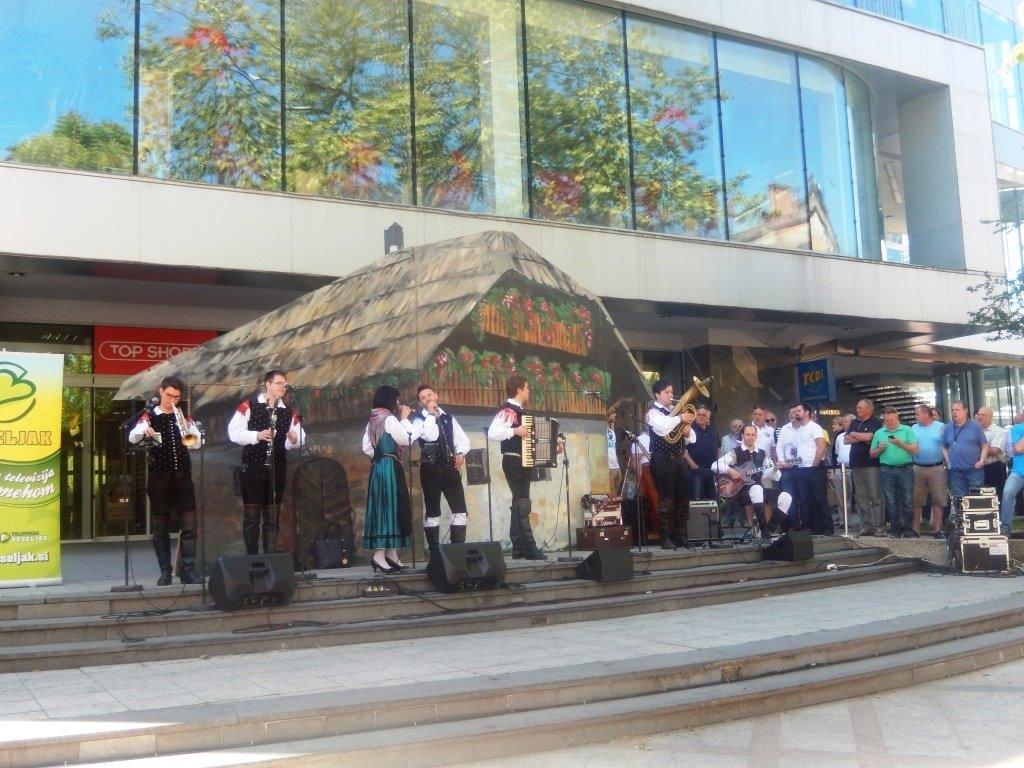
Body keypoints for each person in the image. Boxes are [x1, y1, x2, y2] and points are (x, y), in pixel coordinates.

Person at [128, 375, 203, 585]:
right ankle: (165, 571)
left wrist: (187, 429)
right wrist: (145, 432)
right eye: (169, 395)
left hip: (183, 477)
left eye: (176, 397)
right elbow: (132, 436)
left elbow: (196, 443)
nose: (172, 400)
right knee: (161, 528)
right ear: (161, 392)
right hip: (159, 478)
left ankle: (187, 570)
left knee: (190, 525)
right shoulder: (149, 415)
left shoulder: (184, 416)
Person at [228, 370, 304, 555]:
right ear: (268, 384)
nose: (282, 387)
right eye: (279, 383)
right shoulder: (249, 406)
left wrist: (294, 440)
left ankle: (270, 559)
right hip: (253, 467)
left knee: (272, 519)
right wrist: (257, 435)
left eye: (284, 384)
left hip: (277, 468)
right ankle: (252, 559)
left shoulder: (288, 411)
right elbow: (233, 432)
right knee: (252, 518)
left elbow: (299, 438)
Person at [487, 376, 548, 560]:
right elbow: (492, 432)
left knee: (518, 503)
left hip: (522, 463)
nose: (529, 391)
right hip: (513, 461)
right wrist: (514, 430)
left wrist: (554, 450)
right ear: (519, 390)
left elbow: (531, 441)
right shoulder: (508, 410)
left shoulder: (522, 412)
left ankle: (518, 548)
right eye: (527, 388)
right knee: (523, 504)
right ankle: (530, 548)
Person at [362, 386, 419, 573]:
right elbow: (405, 439)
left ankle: (391, 553)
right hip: (389, 467)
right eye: (396, 399)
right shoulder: (389, 418)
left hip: (379, 466)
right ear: (389, 400)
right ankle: (379, 556)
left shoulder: (372, 419)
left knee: (387, 506)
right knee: (390, 505)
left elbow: (366, 448)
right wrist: (405, 419)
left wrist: (380, 455)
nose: (398, 403)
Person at [413, 384, 470, 560]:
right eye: (423, 398)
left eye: (429, 395)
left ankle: (457, 553)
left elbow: (462, 440)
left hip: (450, 468)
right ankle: (435, 555)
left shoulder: (448, 418)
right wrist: (431, 415)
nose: (427, 399)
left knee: (460, 512)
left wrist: (460, 453)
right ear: (421, 403)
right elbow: (430, 436)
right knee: (432, 513)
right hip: (430, 470)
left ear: (436, 396)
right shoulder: (419, 420)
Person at [712, 425, 792, 540]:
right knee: (757, 488)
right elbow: (715, 465)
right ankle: (764, 530)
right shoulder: (735, 452)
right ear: (742, 435)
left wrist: (775, 468)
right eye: (747, 434)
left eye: (753, 434)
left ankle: (768, 530)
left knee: (786, 497)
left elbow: (770, 475)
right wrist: (730, 470)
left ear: (756, 436)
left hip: (758, 490)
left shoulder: (762, 453)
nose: (750, 437)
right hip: (741, 492)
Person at [646, 380, 696, 549]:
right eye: (667, 392)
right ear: (657, 394)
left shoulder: (676, 412)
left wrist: (687, 432)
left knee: (683, 499)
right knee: (666, 499)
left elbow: (692, 439)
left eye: (672, 392)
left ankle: (680, 536)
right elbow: (663, 428)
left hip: (679, 458)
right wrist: (681, 418)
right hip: (662, 459)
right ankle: (665, 538)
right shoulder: (653, 413)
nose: (671, 395)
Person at [777, 402, 832, 534]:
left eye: (799, 411)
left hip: (814, 468)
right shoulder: (800, 429)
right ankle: (815, 528)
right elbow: (796, 450)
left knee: (819, 498)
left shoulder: (815, 427)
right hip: (801, 469)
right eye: (795, 411)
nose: (796, 413)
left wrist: (815, 464)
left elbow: (821, 446)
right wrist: (788, 462)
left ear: (807, 412)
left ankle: (828, 528)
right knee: (807, 499)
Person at [870, 407, 919, 537]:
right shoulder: (879, 432)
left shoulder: (907, 430)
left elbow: (915, 450)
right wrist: (879, 449)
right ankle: (895, 529)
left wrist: (900, 443)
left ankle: (908, 529)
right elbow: (872, 454)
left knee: (907, 500)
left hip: (905, 468)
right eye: (887, 420)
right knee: (890, 501)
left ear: (897, 418)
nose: (890, 422)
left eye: (892, 420)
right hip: (886, 469)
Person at [845, 399, 884, 536]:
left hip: (872, 465)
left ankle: (880, 527)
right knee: (861, 498)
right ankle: (867, 526)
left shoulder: (876, 422)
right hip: (856, 465)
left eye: (859, 408)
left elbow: (871, 437)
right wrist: (862, 437)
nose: (857, 410)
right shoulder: (854, 422)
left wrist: (854, 434)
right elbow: (846, 439)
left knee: (876, 497)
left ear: (869, 409)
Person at [911, 403, 947, 538]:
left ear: (926, 414)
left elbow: (947, 445)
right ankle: (915, 529)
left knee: (938, 499)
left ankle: (937, 530)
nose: (915, 416)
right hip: (917, 467)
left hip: (936, 467)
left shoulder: (941, 427)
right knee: (916, 500)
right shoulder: (913, 428)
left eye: (917, 414)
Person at [942, 400, 989, 499]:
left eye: (957, 410)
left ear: (965, 411)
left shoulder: (975, 426)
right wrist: (948, 461)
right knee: (959, 499)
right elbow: (943, 447)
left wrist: (981, 461)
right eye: (952, 410)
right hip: (956, 471)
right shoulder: (948, 427)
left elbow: (984, 445)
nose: (954, 412)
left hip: (974, 469)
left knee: (976, 498)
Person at [685, 405, 718, 501]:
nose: (701, 417)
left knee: (713, 499)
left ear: (708, 417)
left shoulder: (713, 430)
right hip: (696, 470)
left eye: (704, 415)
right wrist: (694, 466)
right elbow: (683, 450)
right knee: (697, 500)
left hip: (712, 470)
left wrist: (718, 464)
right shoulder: (689, 429)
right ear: (695, 416)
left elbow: (718, 448)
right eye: (699, 415)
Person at [976, 406, 1008, 500]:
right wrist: (986, 447)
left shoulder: (998, 431)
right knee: (979, 497)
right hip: (977, 468)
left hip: (994, 468)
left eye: (983, 415)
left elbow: (995, 450)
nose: (979, 417)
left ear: (990, 417)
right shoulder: (974, 431)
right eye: (978, 414)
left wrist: (974, 449)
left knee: (995, 498)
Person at [1000, 414, 1024, 535]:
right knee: (1008, 492)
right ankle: (1005, 529)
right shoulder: (1017, 429)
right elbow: (1018, 448)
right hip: (1018, 472)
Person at [607, 411, 621, 495]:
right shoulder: (602, 430)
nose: (615, 414)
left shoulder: (611, 431)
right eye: (613, 413)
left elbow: (613, 448)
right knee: (611, 495)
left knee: (616, 493)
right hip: (608, 467)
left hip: (616, 466)